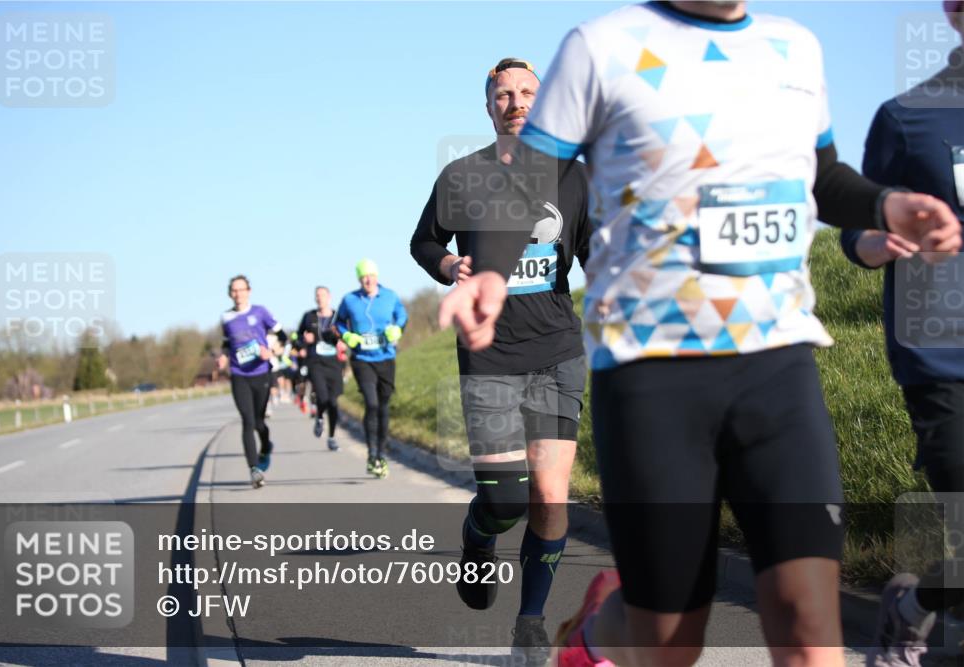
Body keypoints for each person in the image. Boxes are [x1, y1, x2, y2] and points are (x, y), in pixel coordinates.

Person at [436, 2, 963, 665]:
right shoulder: (600, 47)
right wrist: (488, 270)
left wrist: (886, 203)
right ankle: (597, 628)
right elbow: (533, 176)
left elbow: (822, 176)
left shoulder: (793, 47)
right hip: (653, 369)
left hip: (778, 363)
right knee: (667, 642)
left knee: (810, 629)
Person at [410, 57, 592, 663]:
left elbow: (598, 255)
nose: (515, 102)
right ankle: (478, 539)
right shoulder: (462, 175)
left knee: (549, 496)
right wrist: (447, 266)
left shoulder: (573, 176)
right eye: (503, 94)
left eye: (526, 93)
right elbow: (424, 240)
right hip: (488, 357)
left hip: (558, 352)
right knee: (505, 500)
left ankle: (531, 622)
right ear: (488, 107)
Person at [840, 4, 964, 664]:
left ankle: (913, 606)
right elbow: (853, 228)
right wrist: (874, 243)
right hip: (942, 351)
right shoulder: (908, 117)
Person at [336, 259, 408, 478]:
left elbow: (402, 316)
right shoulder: (349, 300)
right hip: (361, 359)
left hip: (386, 358)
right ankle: (371, 453)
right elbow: (338, 322)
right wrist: (348, 335)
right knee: (372, 403)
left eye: (371, 276)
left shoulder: (390, 296)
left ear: (377, 276)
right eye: (363, 276)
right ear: (359, 279)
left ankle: (382, 453)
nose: (368, 280)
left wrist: (397, 329)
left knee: (383, 406)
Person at [218, 275, 288, 489]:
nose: (238, 294)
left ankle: (266, 445)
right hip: (239, 375)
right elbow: (227, 343)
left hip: (261, 373)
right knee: (247, 421)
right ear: (230, 294)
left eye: (241, 289)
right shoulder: (226, 317)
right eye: (234, 290)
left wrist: (274, 350)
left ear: (249, 291)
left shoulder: (260, 312)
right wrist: (222, 356)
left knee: (259, 422)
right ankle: (254, 469)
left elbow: (283, 336)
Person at [297, 286, 347, 452]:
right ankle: (319, 417)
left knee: (333, 402)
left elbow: (347, 335)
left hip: (334, 363)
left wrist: (343, 343)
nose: (320, 298)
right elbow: (297, 337)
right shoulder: (309, 316)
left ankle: (332, 437)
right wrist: (304, 341)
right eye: (317, 296)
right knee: (322, 396)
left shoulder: (337, 316)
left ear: (329, 297)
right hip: (315, 362)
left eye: (323, 295)